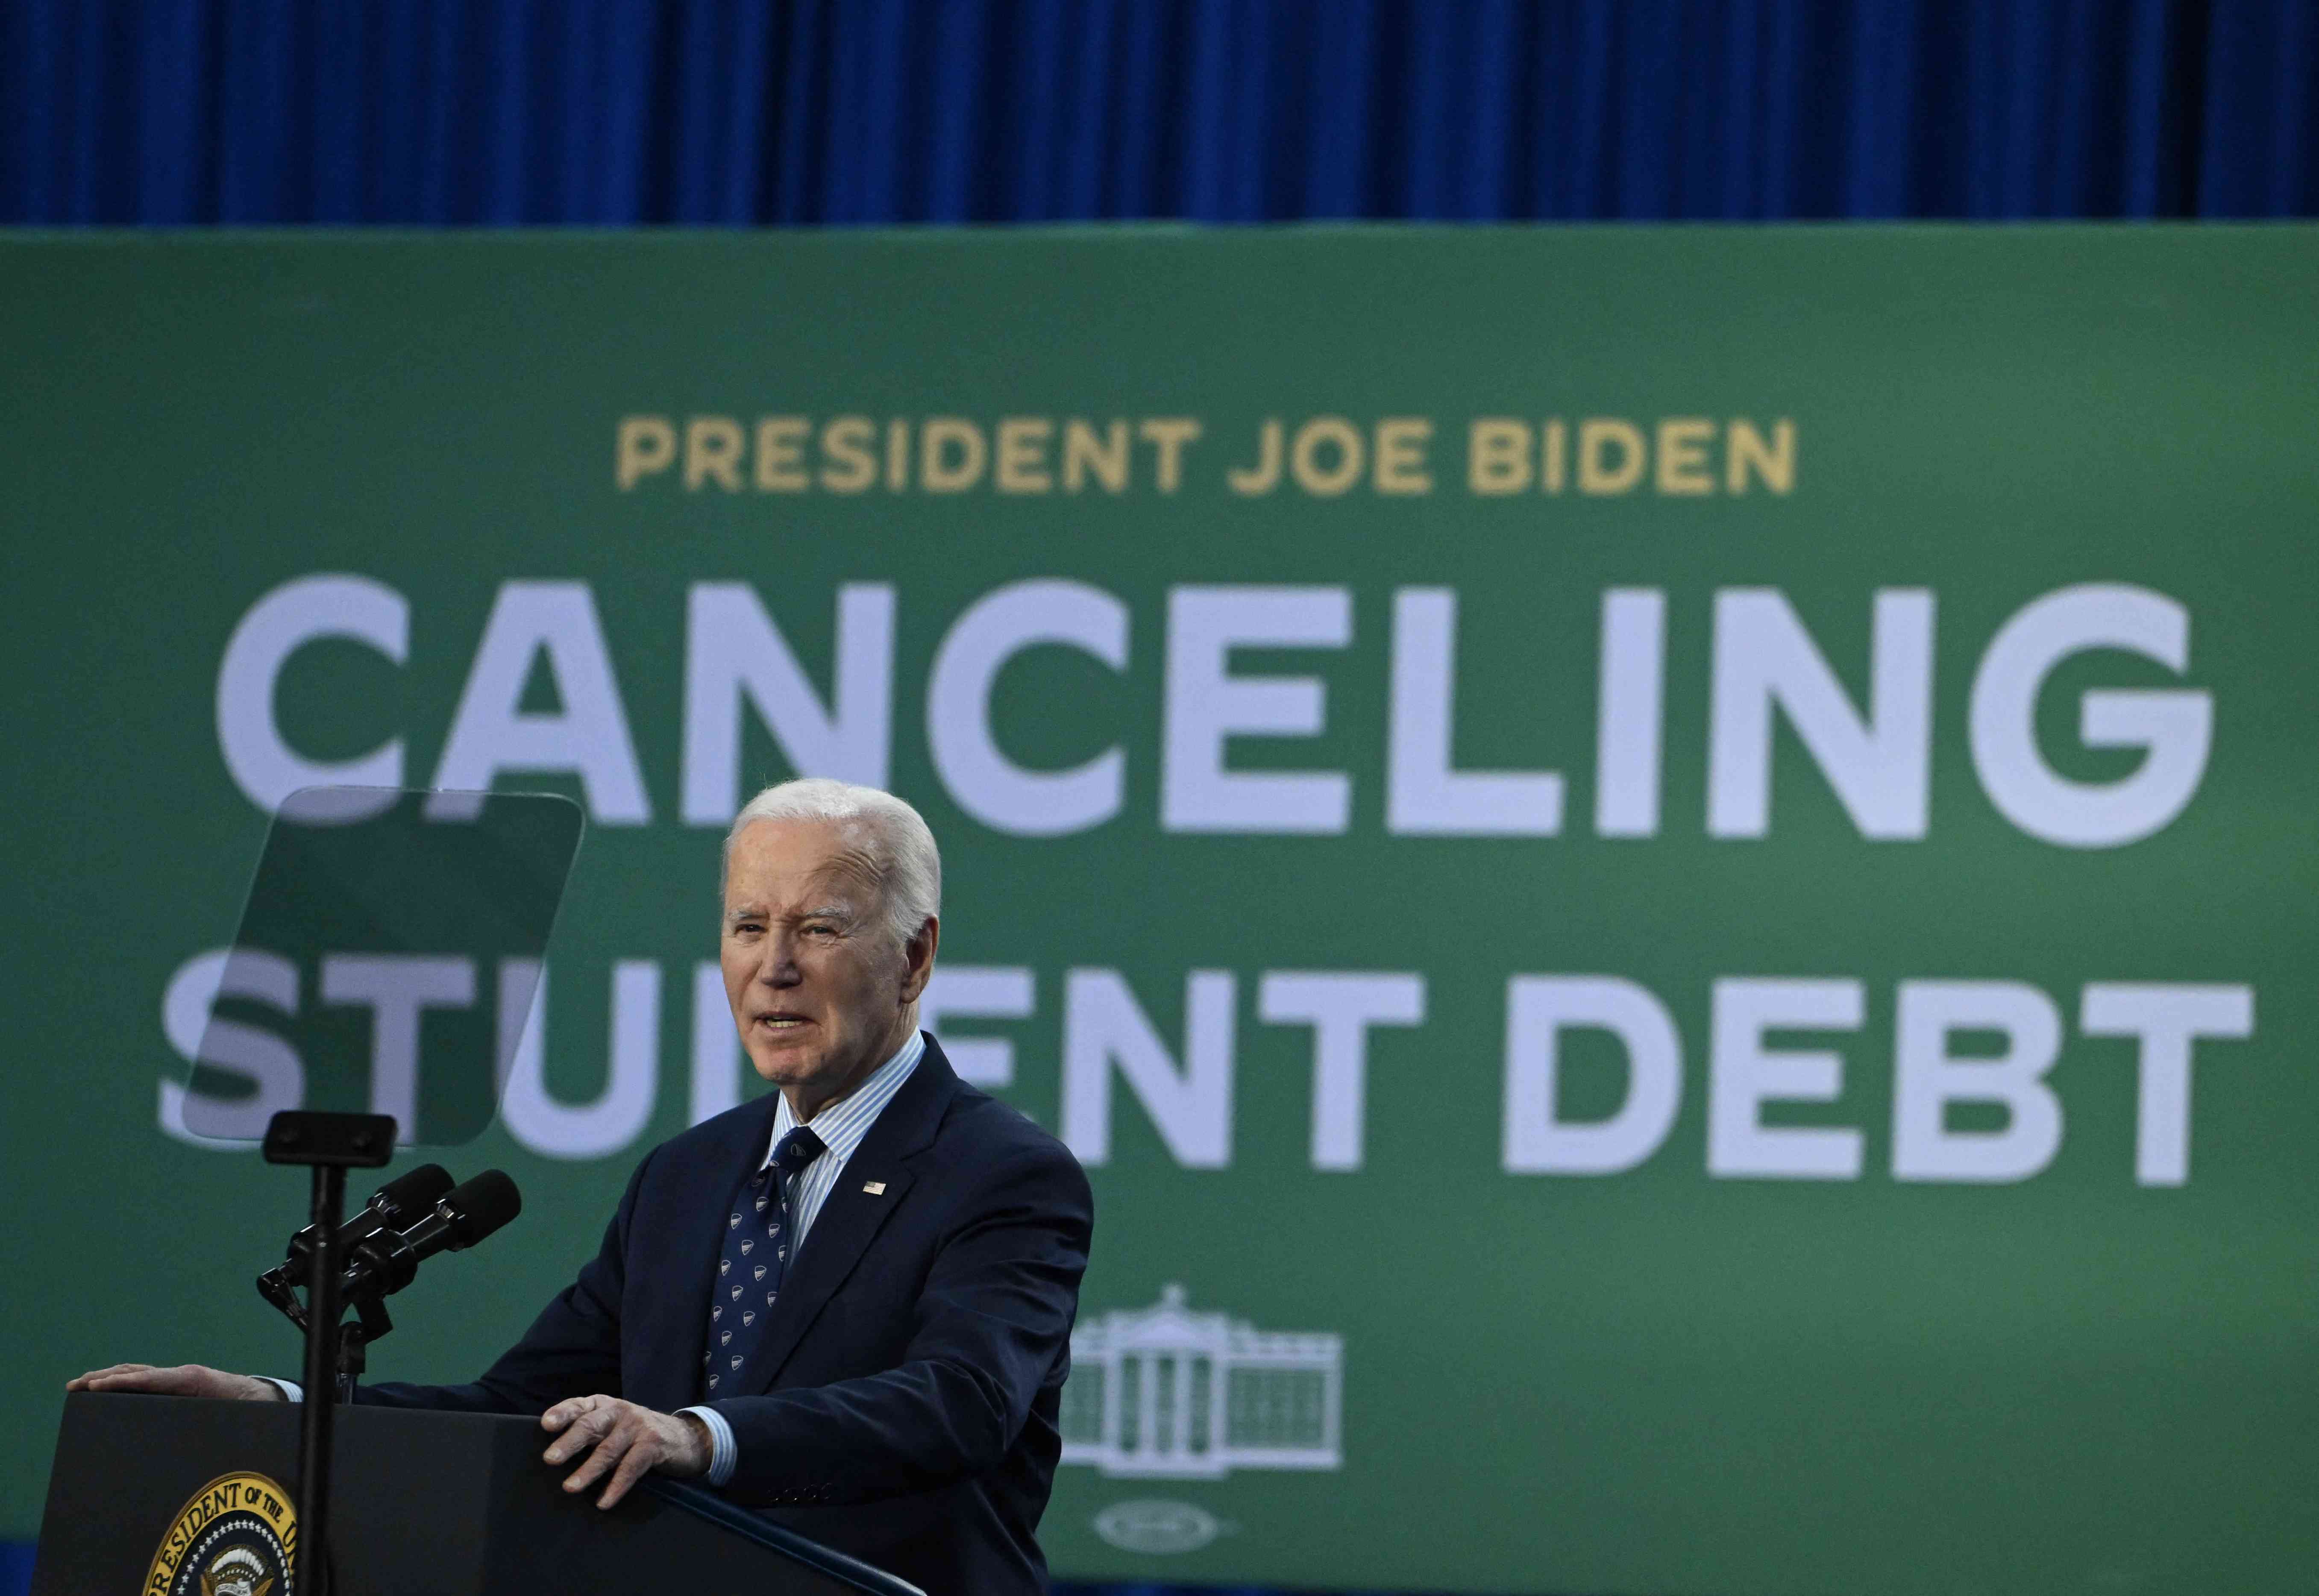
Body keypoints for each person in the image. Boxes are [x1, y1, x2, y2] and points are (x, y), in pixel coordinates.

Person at [72, 778, 1095, 1595]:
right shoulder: (686, 1176)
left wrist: (695, 1435)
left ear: (914, 956)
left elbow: (958, 1404)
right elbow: (519, 1411)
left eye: (819, 928)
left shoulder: (1001, 1172)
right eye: (748, 926)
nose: (774, 967)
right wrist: (273, 1407)